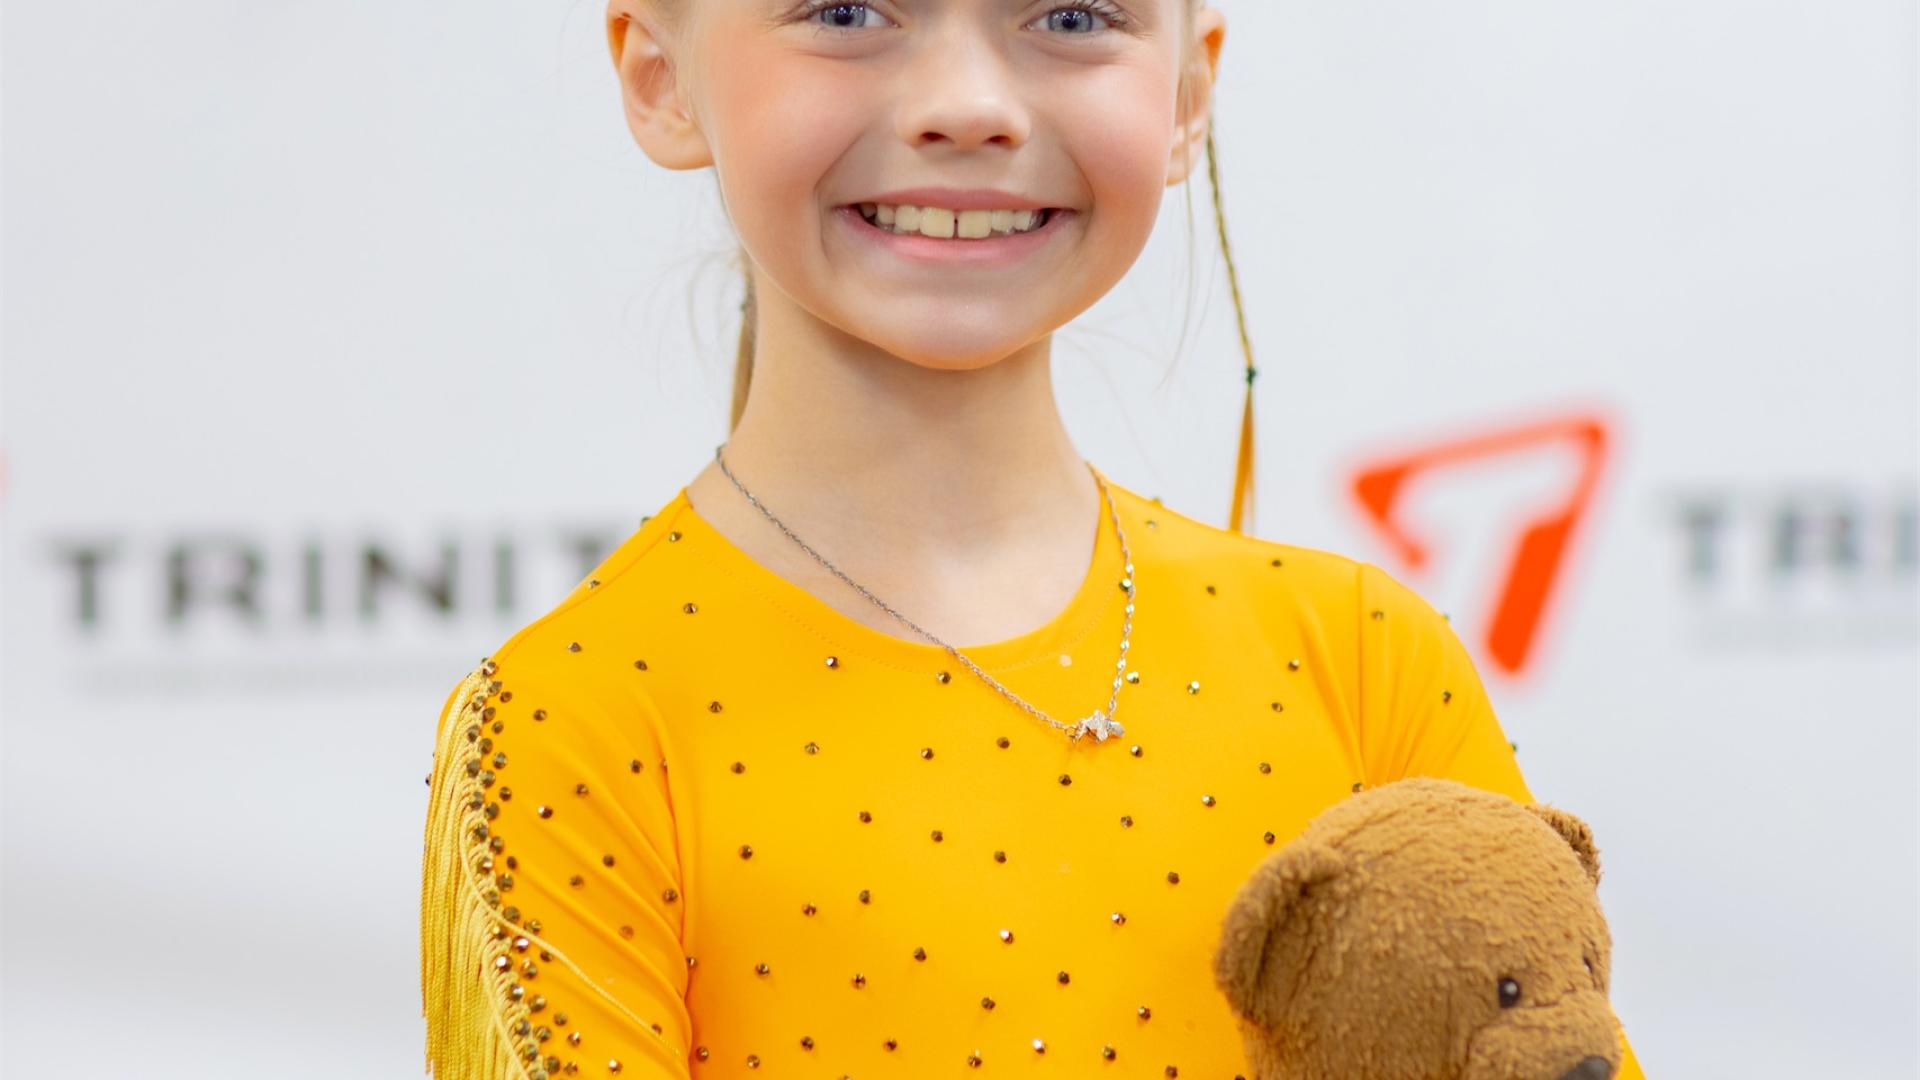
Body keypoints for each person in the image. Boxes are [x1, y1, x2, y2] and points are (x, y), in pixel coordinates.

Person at [421, 2, 1648, 1077]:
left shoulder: (1362, 658)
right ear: (659, 74)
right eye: (845, 10)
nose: (968, 105)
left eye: (1070, 15)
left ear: (1188, 91)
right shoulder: (572, 727)